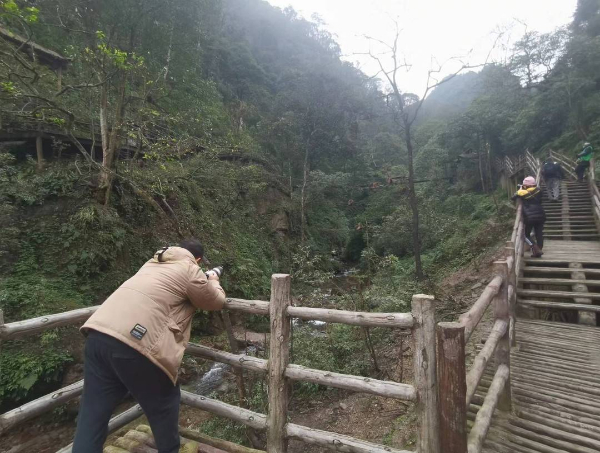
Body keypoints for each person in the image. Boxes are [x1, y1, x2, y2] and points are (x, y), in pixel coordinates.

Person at [72, 239, 226, 453]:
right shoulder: (190, 268)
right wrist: (214, 279)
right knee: (164, 404)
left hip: (98, 334)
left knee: (92, 415)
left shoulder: (152, 262)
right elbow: (214, 301)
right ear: (198, 259)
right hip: (136, 342)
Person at [513, 176, 546, 258]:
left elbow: (513, 197)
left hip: (529, 216)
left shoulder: (522, 193)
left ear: (525, 185)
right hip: (541, 214)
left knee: (525, 235)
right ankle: (539, 249)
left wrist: (521, 189)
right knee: (539, 233)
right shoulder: (539, 190)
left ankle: (535, 247)